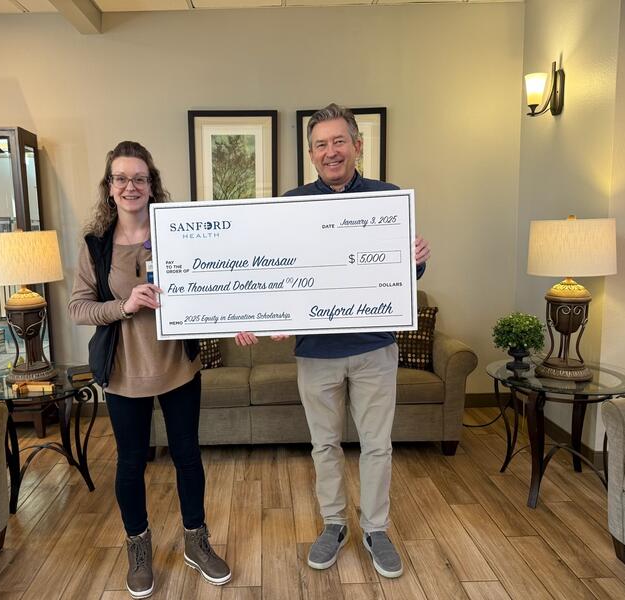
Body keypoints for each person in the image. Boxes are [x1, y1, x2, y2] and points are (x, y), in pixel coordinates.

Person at [236, 104, 429, 579]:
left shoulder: (386, 200)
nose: (330, 151)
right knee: (324, 446)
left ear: (358, 146)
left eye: (338, 141)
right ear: (311, 154)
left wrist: (416, 262)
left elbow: (399, 276)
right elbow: (274, 270)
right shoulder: (292, 203)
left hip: (373, 347)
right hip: (316, 353)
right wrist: (255, 315)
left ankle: (377, 529)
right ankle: (335, 524)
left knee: (377, 445)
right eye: (320, 144)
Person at [69, 141, 230, 599]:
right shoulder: (95, 247)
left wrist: (236, 318)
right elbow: (78, 308)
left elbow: (213, 285)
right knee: (130, 463)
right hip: (124, 374)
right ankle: (138, 547)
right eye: (121, 178)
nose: (131, 186)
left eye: (139, 178)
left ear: (151, 184)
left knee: (187, 456)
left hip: (178, 366)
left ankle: (196, 542)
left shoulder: (178, 233)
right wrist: (124, 305)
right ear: (110, 188)